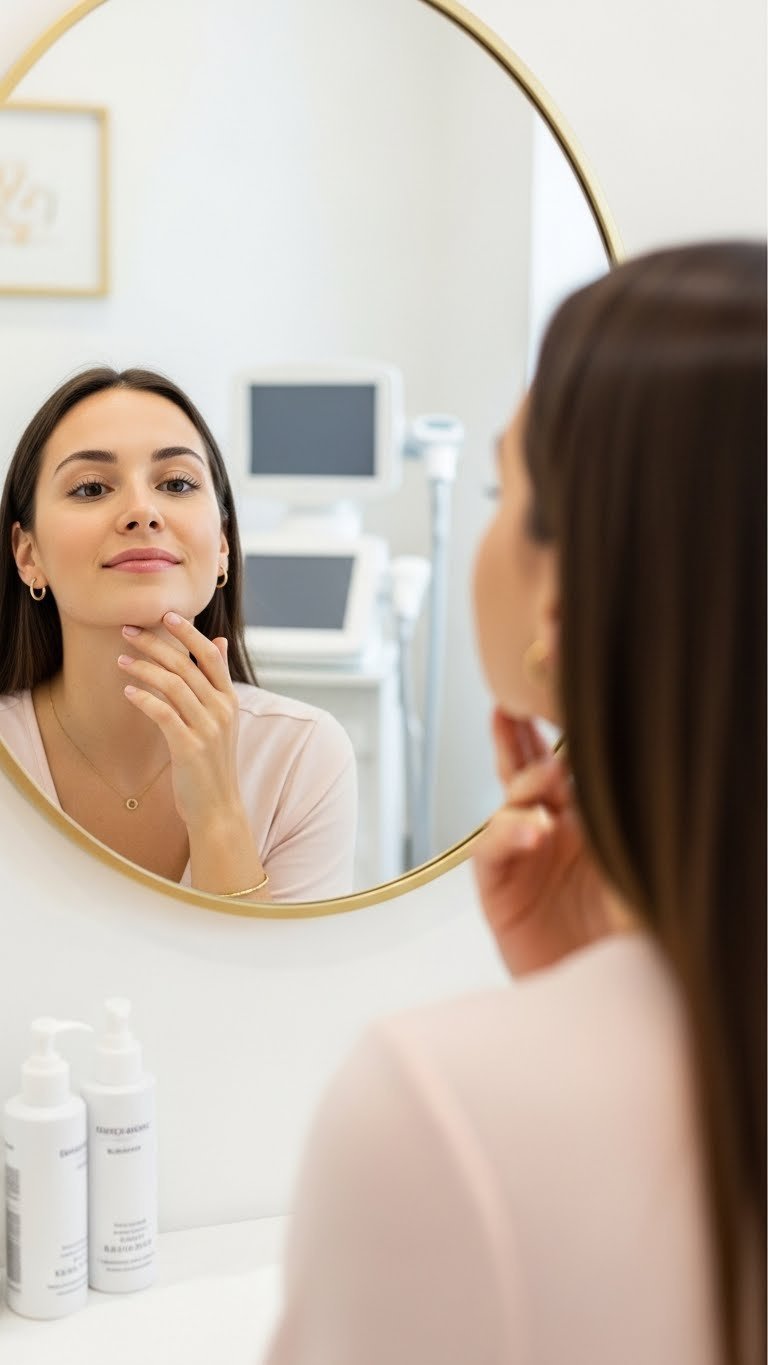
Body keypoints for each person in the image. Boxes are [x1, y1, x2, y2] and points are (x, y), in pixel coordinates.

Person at [263, 243, 765, 1364]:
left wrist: (581, 1021)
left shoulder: (433, 1116)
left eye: (503, 489)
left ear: (566, 593)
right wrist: (596, 986)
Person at [0, 367, 357, 903]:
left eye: (177, 484)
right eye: (92, 487)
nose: (143, 512)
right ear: (28, 555)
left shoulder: (304, 758)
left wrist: (217, 811)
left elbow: (271, 988)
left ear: (223, 546)